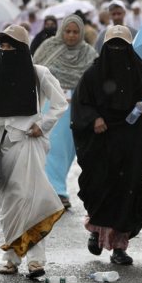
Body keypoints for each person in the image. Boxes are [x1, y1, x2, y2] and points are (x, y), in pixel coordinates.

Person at [0, 24, 67, 278]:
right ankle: (12, 258)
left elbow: (60, 103)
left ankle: (36, 260)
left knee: (30, 200)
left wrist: (42, 125)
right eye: (2, 46)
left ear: (23, 50)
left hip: (27, 144)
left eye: (12, 46)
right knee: (8, 206)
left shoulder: (39, 74)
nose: (6, 50)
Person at [72, 26, 142, 266]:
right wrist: (93, 118)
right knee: (100, 189)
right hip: (103, 142)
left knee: (127, 193)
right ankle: (96, 232)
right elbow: (81, 104)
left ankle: (119, 246)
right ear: (104, 47)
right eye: (113, 46)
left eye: (122, 46)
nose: (117, 50)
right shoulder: (93, 74)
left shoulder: (139, 72)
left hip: (131, 142)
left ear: (129, 48)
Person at [33, 14, 98, 209]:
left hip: (77, 108)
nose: (70, 36)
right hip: (52, 106)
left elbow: (94, 80)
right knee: (53, 149)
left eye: (75, 32)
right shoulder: (49, 48)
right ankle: (57, 191)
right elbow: (35, 71)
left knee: (69, 152)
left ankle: (55, 187)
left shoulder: (88, 53)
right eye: (67, 31)